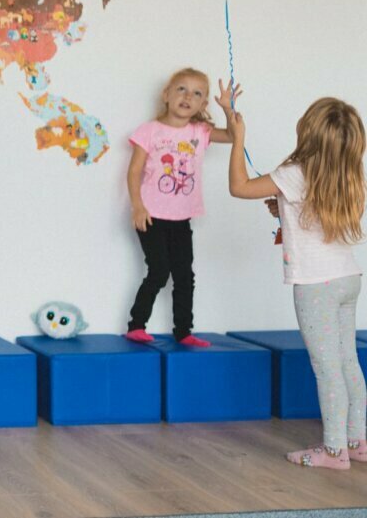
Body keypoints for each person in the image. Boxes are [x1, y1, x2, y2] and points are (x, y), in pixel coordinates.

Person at [229, 97, 366, 470]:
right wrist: (285, 207)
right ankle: (358, 440)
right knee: (348, 361)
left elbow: (239, 187)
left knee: (328, 368)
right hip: (347, 278)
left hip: (316, 286)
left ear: (309, 131)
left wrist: (238, 136)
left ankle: (335, 451)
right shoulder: (348, 174)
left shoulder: (296, 171)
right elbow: (315, 213)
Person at [123, 69, 240, 348]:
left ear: (202, 105)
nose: (188, 97)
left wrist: (228, 108)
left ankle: (184, 331)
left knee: (185, 275)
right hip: (151, 215)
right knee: (159, 271)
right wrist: (137, 207)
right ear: (166, 95)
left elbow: (234, 136)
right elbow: (134, 171)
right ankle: (136, 325)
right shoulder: (149, 130)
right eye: (181, 90)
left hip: (182, 217)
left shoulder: (200, 132)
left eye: (197, 93)